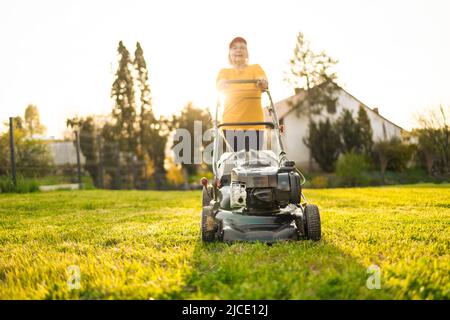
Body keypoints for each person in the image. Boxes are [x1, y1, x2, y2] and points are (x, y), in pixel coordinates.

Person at [216, 36, 268, 152]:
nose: (238, 50)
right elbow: (219, 83)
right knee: (239, 160)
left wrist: (262, 82)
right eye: (234, 48)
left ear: (247, 53)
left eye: (242, 48)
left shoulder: (255, 68)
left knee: (254, 161)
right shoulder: (224, 72)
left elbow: (263, 80)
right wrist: (222, 83)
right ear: (229, 53)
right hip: (231, 126)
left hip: (256, 124)